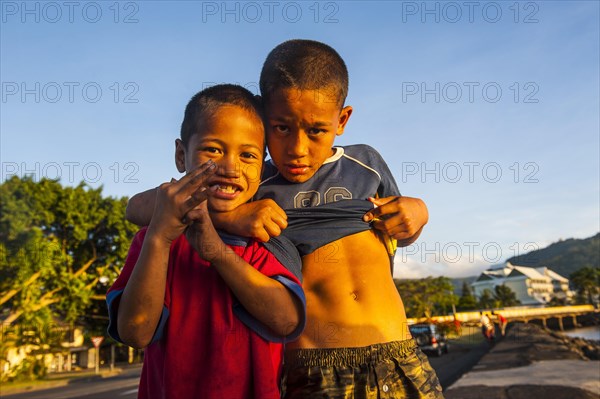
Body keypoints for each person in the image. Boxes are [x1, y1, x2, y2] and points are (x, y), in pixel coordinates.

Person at [127, 39, 442, 398]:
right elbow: (137, 207)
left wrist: (419, 213)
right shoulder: (250, 180)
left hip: (397, 350)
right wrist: (231, 217)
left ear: (342, 120)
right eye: (281, 128)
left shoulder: (365, 162)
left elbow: (400, 232)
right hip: (312, 366)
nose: (297, 148)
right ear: (262, 116)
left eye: (316, 131)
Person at [107, 84, 306, 399]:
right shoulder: (154, 239)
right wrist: (159, 238)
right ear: (181, 155)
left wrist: (215, 250)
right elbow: (135, 332)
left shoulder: (263, 235)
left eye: (248, 154)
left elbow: (286, 321)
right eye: (213, 149)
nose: (229, 167)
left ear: (262, 164)